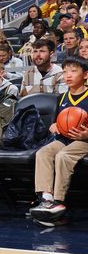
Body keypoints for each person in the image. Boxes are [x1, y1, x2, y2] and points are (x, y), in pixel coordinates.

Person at [30, 57, 88, 225]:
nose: (68, 75)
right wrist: (54, 126)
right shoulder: (61, 98)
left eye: (73, 71)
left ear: (85, 75)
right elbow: (57, 123)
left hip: (84, 141)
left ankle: (58, 201)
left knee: (63, 155)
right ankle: (45, 197)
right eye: (65, 72)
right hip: (64, 138)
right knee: (43, 152)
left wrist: (86, 135)